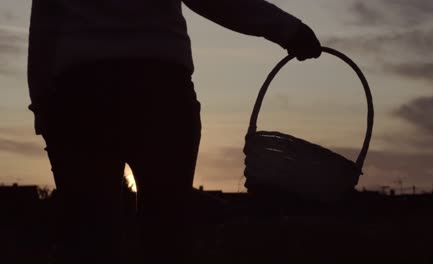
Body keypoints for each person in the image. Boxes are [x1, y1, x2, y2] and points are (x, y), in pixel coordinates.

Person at [27, 0, 321, 263]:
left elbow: (44, 20)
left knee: (90, 239)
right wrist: (289, 29)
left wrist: (43, 105)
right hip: (159, 91)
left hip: (81, 96)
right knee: (166, 237)